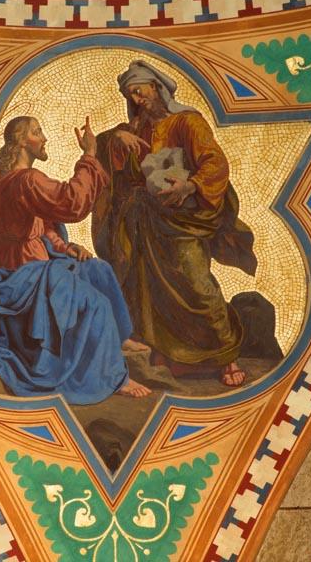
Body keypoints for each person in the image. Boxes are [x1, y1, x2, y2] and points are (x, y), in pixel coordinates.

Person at [0, 115, 151, 404]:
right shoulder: (27, 180)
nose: (44, 138)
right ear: (22, 142)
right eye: (37, 132)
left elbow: (40, 223)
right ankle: (114, 377)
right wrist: (89, 154)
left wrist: (64, 247)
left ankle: (118, 339)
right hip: (21, 271)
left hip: (34, 259)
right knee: (96, 304)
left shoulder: (4, 176)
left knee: (98, 270)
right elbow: (72, 202)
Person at [91, 61, 257, 387]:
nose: (137, 99)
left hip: (181, 219)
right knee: (146, 290)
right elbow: (104, 150)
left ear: (156, 87)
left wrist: (190, 186)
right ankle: (168, 356)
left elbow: (214, 162)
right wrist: (116, 137)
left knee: (197, 284)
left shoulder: (186, 122)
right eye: (130, 95)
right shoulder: (135, 128)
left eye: (140, 90)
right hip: (144, 222)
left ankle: (227, 355)